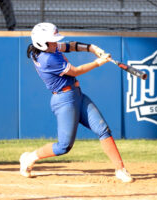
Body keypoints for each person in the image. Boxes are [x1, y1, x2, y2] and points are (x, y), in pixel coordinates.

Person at [20, 22, 133, 183]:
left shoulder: (47, 47)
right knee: (63, 147)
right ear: (41, 43)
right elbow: (76, 71)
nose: (56, 43)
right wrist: (99, 62)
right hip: (64, 101)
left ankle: (120, 169)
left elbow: (69, 46)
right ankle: (30, 158)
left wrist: (92, 48)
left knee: (103, 130)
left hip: (77, 95)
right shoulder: (47, 59)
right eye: (52, 41)